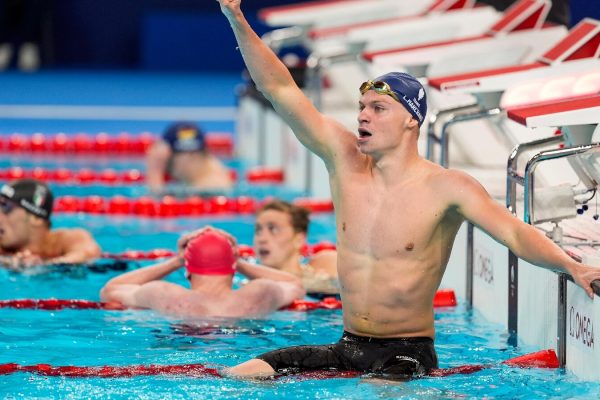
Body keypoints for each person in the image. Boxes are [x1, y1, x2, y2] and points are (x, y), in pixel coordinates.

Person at [217, 0, 600, 379]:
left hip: (407, 353)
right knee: (244, 373)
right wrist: (235, 18)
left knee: (387, 391)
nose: (363, 115)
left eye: (379, 108)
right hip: (346, 345)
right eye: (361, 106)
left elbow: (515, 232)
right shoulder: (344, 160)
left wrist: (573, 266)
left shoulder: (447, 187)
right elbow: (279, 88)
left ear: (410, 123)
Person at [100, 229, 305, 318]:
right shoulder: (261, 291)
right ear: (232, 270)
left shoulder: (164, 294)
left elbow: (110, 290)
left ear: (188, 271)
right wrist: (240, 262)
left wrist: (175, 260)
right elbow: (297, 285)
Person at [0, 179, 101, 269]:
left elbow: (88, 255)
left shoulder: (67, 240)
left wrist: (41, 266)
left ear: (36, 218)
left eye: (5, 207)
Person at [253, 199, 338, 296]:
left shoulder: (326, 265)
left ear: (299, 240)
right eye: (258, 230)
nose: (261, 239)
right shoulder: (251, 285)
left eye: (273, 229)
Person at [145, 121, 234, 193]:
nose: (167, 166)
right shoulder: (207, 168)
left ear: (189, 156)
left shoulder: (212, 188)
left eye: (169, 160)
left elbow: (159, 207)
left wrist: (155, 172)